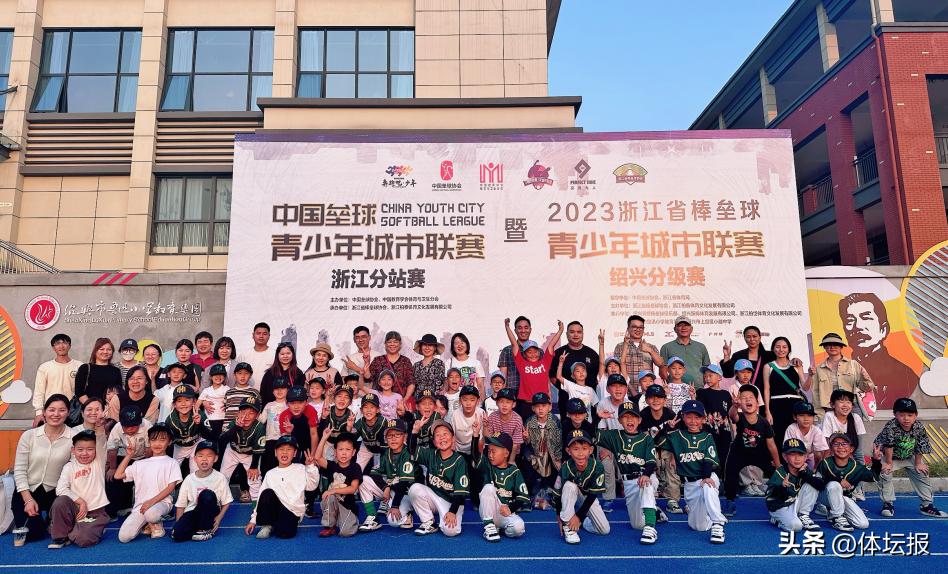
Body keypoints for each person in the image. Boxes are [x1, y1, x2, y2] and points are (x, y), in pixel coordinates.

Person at [655, 400, 727, 544]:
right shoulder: (677, 436)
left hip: (707, 476)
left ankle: (718, 524)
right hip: (690, 485)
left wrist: (706, 477)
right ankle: (708, 514)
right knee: (698, 526)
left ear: (703, 419)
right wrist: (666, 428)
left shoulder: (707, 437)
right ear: (683, 417)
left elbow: (709, 461)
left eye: (697, 417)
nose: (693, 421)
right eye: (689, 417)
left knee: (708, 486)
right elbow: (655, 442)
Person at [12, 394, 75, 544]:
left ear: (68, 413)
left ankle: (51, 520)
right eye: (51, 410)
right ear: (44, 412)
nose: (56, 414)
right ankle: (41, 522)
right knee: (33, 535)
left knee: (57, 533)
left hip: (56, 492)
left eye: (61, 410)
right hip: (28, 490)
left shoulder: (74, 437)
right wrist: (28, 500)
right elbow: (19, 470)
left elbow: (74, 470)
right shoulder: (29, 436)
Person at [839, 293, 919, 408]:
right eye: (850, 320)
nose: (858, 326)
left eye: (866, 318)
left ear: (883, 329)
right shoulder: (841, 371)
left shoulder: (905, 375)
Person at [597, 401, 660, 544]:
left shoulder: (646, 438)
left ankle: (650, 527)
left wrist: (646, 475)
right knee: (637, 525)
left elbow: (651, 462)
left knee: (647, 484)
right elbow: (590, 433)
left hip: (646, 476)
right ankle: (654, 511)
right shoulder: (614, 436)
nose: (630, 420)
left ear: (639, 420)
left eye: (633, 416)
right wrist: (597, 417)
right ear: (619, 420)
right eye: (625, 417)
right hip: (629, 482)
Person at [874, 397, 948, 518]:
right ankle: (887, 503)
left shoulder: (919, 427)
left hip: (909, 455)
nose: (906, 418)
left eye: (910, 415)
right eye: (902, 415)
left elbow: (921, 445)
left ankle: (926, 505)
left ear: (915, 415)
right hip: (890, 456)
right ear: (895, 415)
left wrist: (918, 463)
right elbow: (888, 446)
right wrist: (888, 463)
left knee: (922, 472)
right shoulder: (891, 426)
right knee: (884, 471)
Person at [114, 423, 182, 542]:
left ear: (169, 442)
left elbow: (171, 487)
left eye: (162, 440)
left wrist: (151, 502)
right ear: (149, 442)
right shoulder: (139, 464)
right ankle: (147, 524)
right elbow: (117, 475)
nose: (157, 444)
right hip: (141, 507)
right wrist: (129, 455)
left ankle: (156, 525)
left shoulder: (172, 463)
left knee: (151, 514)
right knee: (124, 537)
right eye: (154, 440)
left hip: (161, 504)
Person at [245, 435, 320, 539]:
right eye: (281, 449)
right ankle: (267, 524)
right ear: (275, 453)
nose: (285, 452)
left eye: (289, 449)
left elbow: (312, 486)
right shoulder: (270, 474)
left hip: (292, 512)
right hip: (275, 508)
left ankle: (277, 524)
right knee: (267, 493)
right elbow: (261, 498)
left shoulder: (301, 468)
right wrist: (253, 521)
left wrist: (310, 467)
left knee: (284, 534)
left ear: (294, 453)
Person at [723, 384, 780, 516]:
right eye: (744, 398)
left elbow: (771, 446)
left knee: (776, 475)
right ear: (740, 404)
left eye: (751, 397)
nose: (748, 400)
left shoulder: (764, 422)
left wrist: (778, 466)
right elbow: (732, 415)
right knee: (730, 474)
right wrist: (734, 406)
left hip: (759, 453)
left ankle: (778, 500)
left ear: (757, 403)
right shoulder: (740, 417)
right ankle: (730, 501)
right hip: (739, 453)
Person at [47, 430, 110, 549]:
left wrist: (100, 428)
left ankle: (87, 528)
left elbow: (101, 441)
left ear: (96, 450)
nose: (85, 453)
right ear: (73, 450)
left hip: (95, 513)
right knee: (60, 501)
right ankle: (61, 537)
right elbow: (60, 489)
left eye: (90, 449)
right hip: (76, 510)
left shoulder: (99, 462)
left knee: (83, 539)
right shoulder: (69, 466)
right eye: (80, 449)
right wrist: (81, 501)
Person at [408, 420, 469, 537]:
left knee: (451, 532)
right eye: (438, 435)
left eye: (445, 434)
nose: (442, 437)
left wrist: (452, 512)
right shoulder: (431, 454)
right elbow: (412, 450)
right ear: (434, 442)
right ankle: (428, 522)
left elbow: (460, 493)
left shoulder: (459, 461)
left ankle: (448, 515)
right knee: (415, 488)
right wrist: (415, 431)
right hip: (434, 497)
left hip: (452, 502)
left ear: (453, 438)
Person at [358, 418, 417, 531]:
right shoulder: (384, 453)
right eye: (390, 436)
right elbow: (374, 473)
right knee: (364, 480)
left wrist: (394, 506)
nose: (393, 439)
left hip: (406, 494)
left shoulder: (408, 453)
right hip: (391, 490)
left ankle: (408, 511)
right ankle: (372, 517)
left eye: (397, 435)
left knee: (393, 521)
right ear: (385, 438)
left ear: (404, 436)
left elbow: (404, 483)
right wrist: (385, 487)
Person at [470, 429, 529, 542]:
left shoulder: (514, 471)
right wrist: (475, 435)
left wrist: (510, 508)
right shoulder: (487, 465)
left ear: (506, 453)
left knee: (519, 528)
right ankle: (489, 525)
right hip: (489, 511)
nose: (490, 455)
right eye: (489, 451)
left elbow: (523, 497)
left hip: (505, 512)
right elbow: (475, 455)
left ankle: (501, 529)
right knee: (488, 488)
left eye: (494, 451)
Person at [554, 429, 610, 544]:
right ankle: (568, 526)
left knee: (604, 530)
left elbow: (593, 495)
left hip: (588, 498)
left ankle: (584, 522)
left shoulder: (598, 467)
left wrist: (579, 517)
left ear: (591, 450)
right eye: (575, 449)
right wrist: (559, 516)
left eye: (584, 449)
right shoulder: (565, 467)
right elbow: (557, 495)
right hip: (570, 497)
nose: (580, 454)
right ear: (568, 451)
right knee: (570, 486)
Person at [171, 440, 233, 542]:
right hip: (193, 511)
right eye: (200, 456)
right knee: (177, 535)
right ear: (195, 459)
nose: (204, 459)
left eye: (209, 456)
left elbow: (227, 501)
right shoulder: (189, 479)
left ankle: (206, 529)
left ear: (215, 458)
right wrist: (179, 524)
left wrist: (218, 519)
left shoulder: (220, 478)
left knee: (206, 494)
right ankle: (196, 529)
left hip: (210, 511)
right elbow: (181, 505)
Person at [765, 438, 829, 532]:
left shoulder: (804, 470)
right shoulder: (780, 473)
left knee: (812, 483)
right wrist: (782, 488)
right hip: (780, 507)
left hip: (794, 503)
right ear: (785, 457)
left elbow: (821, 486)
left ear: (806, 457)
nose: (797, 458)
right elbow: (770, 500)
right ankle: (777, 520)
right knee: (796, 527)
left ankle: (803, 515)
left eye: (800, 454)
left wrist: (805, 475)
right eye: (792, 454)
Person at [505, 318, 563, 421]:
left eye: (535, 351)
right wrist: (507, 327)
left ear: (539, 352)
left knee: (542, 428)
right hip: (526, 404)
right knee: (525, 428)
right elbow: (514, 344)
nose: (533, 354)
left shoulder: (545, 362)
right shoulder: (522, 364)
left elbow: (551, 345)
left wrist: (560, 330)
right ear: (524, 354)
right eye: (529, 352)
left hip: (542, 404)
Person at [816, 433, 873, 530]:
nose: (840, 447)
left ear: (851, 449)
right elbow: (816, 482)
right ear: (831, 448)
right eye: (836, 444)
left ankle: (834, 512)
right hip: (825, 497)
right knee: (834, 485)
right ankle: (836, 517)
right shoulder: (825, 463)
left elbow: (873, 478)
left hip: (844, 498)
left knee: (862, 524)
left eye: (844, 444)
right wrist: (837, 480)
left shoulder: (856, 466)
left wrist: (877, 461)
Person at [810, 332, 874, 415]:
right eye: (828, 344)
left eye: (836, 344)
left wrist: (866, 379)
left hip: (851, 408)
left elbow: (867, 388)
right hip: (829, 409)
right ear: (824, 347)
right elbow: (816, 393)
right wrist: (819, 414)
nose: (832, 347)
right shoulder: (818, 368)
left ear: (841, 347)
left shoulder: (853, 364)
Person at [104, 406, 151, 517]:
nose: (130, 429)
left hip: (144, 458)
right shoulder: (117, 427)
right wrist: (112, 468)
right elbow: (112, 449)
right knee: (112, 478)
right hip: (125, 456)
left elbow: (149, 449)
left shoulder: (147, 426)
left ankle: (140, 507)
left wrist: (146, 467)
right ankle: (114, 510)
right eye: (126, 426)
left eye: (134, 426)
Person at [313, 431, 361, 537]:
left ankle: (350, 519)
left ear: (353, 452)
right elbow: (317, 458)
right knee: (329, 497)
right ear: (335, 452)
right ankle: (329, 526)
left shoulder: (355, 467)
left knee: (345, 533)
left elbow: (353, 488)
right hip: (333, 502)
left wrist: (333, 490)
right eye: (340, 449)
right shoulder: (332, 466)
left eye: (348, 449)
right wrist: (324, 438)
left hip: (347, 506)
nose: (344, 453)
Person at [640, 383, 678, 515]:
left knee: (672, 465)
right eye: (652, 397)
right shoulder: (643, 415)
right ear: (646, 400)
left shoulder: (670, 414)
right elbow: (644, 441)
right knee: (649, 467)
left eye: (659, 397)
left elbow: (675, 440)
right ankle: (651, 498)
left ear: (665, 400)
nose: (655, 400)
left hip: (667, 449)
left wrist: (674, 457)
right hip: (649, 449)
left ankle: (672, 499)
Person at [762, 337, 809, 445]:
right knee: (779, 435)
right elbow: (766, 389)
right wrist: (767, 411)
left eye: (784, 347)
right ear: (773, 349)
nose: (781, 350)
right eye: (778, 347)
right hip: (776, 405)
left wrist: (810, 375)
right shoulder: (768, 366)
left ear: (789, 349)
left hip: (795, 405)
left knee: (796, 436)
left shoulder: (796, 365)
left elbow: (805, 387)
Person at [220, 397, 266, 503]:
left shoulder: (259, 427)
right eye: (243, 412)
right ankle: (219, 501)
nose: (246, 416)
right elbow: (222, 440)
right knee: (223, 476)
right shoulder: (234, 423)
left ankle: (256, 507)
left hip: (250, 455)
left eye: (251, 413)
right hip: (232, 452)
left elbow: (258, 450)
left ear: (257, 415)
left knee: (254, 479)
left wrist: (254, 466)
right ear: (238, 412)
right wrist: (236, 427)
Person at [32, 334, 83, 427]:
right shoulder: (45, 367)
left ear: (70, 346)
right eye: (57, 343)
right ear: (53, 347)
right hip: (52, 410)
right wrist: (39, 413)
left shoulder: (79, 366)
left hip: (74, 411)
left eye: (65, 343)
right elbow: (39, 391)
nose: (61, 346)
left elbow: (83, 391)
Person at [522, 392, 561, 509]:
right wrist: (526, 439)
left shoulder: (554, 421)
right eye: (537, 406)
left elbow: (558, 442)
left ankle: (551, 493)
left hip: (551, 455)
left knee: (556, 472)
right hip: (535, 455)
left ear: (550, 407)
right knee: (527, 468)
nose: (540, 409)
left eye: (544, 406)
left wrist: (558, 459)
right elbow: (527, 446)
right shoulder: (529, 422)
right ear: (533, 408)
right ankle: (529, 496)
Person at [595, 373, 629, 509]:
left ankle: (627, 491)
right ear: (608, 389)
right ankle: (609, 497)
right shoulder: (603, 403)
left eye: (621, 386)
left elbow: (633, 431)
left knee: (627, 465)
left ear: (626, 389)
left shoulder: (629, 404)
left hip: (625, 440)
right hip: (608, 441)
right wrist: (605, 448)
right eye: (614, 386)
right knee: (606, 464)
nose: (618, 389)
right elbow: (602, 430)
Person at [696, 365, 732, 481]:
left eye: (710, 376)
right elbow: (699, 410)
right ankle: (708, 477)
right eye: (705, 376)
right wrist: (692, 396)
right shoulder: (702, 392)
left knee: (724, 454)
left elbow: (730, 414)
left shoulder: (726, 394)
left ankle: (723, 479)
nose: (707, 378)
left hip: (724, 430)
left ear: (719, 377)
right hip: (708, 430)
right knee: (708, 453)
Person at [551, 322, 602, 404]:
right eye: (572, 332)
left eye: (579, 332)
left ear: (583, 334)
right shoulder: (558, 353)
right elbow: (553, 379)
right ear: (567, 334)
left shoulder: (592, 354)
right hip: (565, 403)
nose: (576, 335)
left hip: (589, 404)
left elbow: (599, 378)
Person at [659, 316, 711, 388]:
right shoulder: (666, 347)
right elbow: (663, 371)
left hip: (698, 389)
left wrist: (700, 383)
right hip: (674, 390)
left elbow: (707, 369)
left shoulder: (701, 347)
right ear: (675, 329)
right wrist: (671, 385)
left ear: (691, 329)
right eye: (680, 325)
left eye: (686, 325)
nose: (683, 328)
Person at [719, 326, 776, 391]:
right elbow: (728, 374)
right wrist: (726, 356)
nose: (752, 339)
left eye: (754, 336)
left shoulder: (770, 356)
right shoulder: (738, 355)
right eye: (748, 337)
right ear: (744, 338)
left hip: (766, 393)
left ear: (760, 337)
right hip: (744, 394)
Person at [615, 315, 665, 384]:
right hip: (626, 388)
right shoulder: (620, 347)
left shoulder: (651, 347)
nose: (638, 329)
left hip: (647, 389)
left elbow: (660, 364)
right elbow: (617, 370)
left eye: (641, 327)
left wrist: (649, 350)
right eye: (634, 327)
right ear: (628, 329)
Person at [367, 331, 415, 399]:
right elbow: (368, 378)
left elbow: (411, 383)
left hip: (400, 401)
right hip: (381, 401)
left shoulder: (406, 361)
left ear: (400, 344)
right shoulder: (378, 360)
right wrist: (366, 363)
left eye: (395, 342)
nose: (392, 344)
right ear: (385, 344)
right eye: (389, 342)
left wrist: (404, 400)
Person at [75, 338, 122, 404]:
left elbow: (119, 392)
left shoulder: (116, 371)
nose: (105, 352)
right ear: (95, 351)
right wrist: (93, 407)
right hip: (90, 408)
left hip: (110, 408)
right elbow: (79, 392)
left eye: (109, 349)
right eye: (101, 349)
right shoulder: (85, 368)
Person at [783, 401, 828, 470]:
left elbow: (824, 449)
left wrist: (818, 467)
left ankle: (815, 470)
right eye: (801, 415)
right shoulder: (791, 428)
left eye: (809, 415)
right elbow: (788, 449)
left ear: (813, 417)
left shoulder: (816, 430)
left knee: (818, 453)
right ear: (795, 417)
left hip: (810, 456)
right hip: (796, 456)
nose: (806, 419)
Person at [497, 316, 535, 398]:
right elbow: (503, 377)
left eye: (526, 328)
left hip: (532, 393)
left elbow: (544, 375)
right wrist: (503, 396)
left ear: (530, 330)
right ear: (515, 331)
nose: (523, 331)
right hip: (512, 393)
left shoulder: (538, 352)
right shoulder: (507, 351)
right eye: (520, 328)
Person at [257, 377, 289, 475]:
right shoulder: (269, 405)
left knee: (282, 465)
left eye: (282, 388)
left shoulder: (289, 405)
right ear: (273, 391)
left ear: (287, 390)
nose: (279, 391)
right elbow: (262, 420)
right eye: (276, 389)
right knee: (268, 465)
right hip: (269, 439)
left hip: (284, 439)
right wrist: (254, 413)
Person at [485, 388, 523, 465]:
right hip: (496, 449)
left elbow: (516, 443)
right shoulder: (492, 416)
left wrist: (511, 461)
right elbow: (489, 438)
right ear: (496, 403)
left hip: (511, 452)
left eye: (508, 402)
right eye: (501, 401)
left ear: (513, 404)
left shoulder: (517, 419)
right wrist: (485, 427)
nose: (504, 405)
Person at [553, 356, 598, 421]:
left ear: (586, 373)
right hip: (572, 421)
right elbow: (559, 376)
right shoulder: (571, 385)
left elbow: (597, 406)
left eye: (583, 370)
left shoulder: (590, 390)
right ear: (573, 376)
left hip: (586, 421)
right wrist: (561, 363)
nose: (581, 373)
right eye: (577, 371)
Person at [197, 364, 229, 442]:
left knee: (220, 441)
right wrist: (200, 415)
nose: (218, 377)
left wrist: (227, 405)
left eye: (221, 375)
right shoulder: (206, 390)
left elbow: (231, 402)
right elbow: (197, 404)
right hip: (208, 420)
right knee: (209, 440)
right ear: (211, 377)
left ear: (224, 377)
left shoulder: (227, 389)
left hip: (222, 419)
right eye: (215, 375)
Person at [71, 397, 108, 465]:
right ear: (82, 413)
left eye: (97, 409)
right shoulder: (72, 432)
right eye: (89, 409)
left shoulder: (107, 432)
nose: (93, 413)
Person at [447, 332, 486, 398]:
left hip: (471, 400)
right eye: (456, 343)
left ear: (467, 345)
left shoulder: (476, 363)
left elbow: (480, 386)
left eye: (462, 342)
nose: (459, 345)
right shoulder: (449, 362)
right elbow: (446, 384)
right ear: (453, 347)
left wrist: (483, 401)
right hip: (454, 400)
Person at [236, 322, 273, 389]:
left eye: (264, 334)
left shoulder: (275, 355)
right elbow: (236, 375)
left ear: (269, 336)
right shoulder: (244, 355)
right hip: (246, 393)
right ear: (253, 335)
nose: (261, 336)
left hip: (267, 393)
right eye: (258, 333)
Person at [412, 333, 446, 399]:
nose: (427, 348)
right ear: (421, 347)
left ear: (435, 348)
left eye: (430, 345)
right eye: (424, 345)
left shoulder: (439, 363)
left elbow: (440, 385)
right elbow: (413, 385)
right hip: (418, 400)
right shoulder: (416, 365)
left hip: (433, 400)